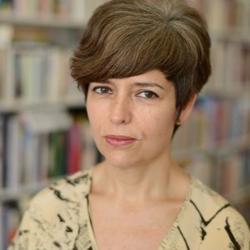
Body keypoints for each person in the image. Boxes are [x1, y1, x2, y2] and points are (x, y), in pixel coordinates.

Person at [9, 0, 250, 249]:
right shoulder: (48, 212)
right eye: (103, 89)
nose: (118, 115)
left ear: (184, 106)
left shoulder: (222, 232)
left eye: (146, 94)